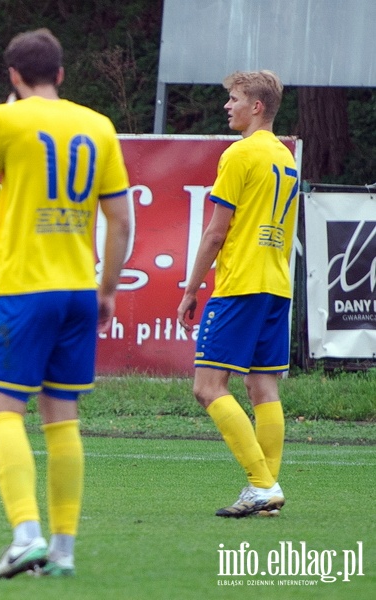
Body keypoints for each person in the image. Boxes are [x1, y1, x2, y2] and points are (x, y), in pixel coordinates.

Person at [0, 28, 131, 579]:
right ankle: (62, 550)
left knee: (4, 407)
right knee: (63, 419)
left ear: (14, 75)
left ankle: (25, 536)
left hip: (26, 287)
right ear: (60, 73)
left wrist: (1, 129)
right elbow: (122, 218)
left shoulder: (6, 119)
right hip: (80, 289)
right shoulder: (98, 126)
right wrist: (107, 289)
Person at [177, 70, 296, 519]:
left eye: (234, 99)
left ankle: (263, 485)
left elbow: (215, 232)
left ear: (256, 107)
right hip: (275, 284)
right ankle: (265, 493)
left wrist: (191, 288)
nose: (228, 106)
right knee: (262, 386)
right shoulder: (285, 157)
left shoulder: (240, 154)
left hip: (241, 283)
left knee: (208, 387)